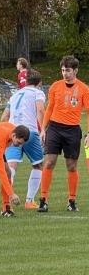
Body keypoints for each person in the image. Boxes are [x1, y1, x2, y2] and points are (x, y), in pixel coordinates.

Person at [38, 55, 89, 213]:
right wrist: (43, 129)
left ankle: (71, 201)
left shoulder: (83, 89)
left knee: (71, 165)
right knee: (49, 162)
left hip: (72, 130)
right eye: (63, 70)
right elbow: (50, 108)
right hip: (54, 128)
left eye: (67, 70)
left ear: (75, 71)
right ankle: (43, 200)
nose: (65, 73)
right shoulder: (55, 86)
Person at [1, 69, 45, 209]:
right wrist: (43, 130)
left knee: (11, 168)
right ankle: (29, 201)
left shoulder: (15, 95)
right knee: (38, 165)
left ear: (26, 82)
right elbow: (40, 110)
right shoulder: (38, 93)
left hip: (12, 133)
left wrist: (8, 133)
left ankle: (6, 203)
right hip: (29, 132)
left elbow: (4, 118)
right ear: (40, 83)